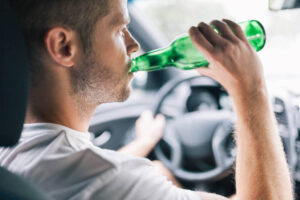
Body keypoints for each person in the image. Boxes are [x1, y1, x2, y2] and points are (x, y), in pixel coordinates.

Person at [0, 0, 293, 199]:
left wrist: (143, 144)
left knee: (161, 170)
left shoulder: (15, 154)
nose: (134, 44)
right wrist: (251, 89)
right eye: (118, 30)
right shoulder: (111, 180)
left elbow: (85, 173)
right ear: (64, 47)